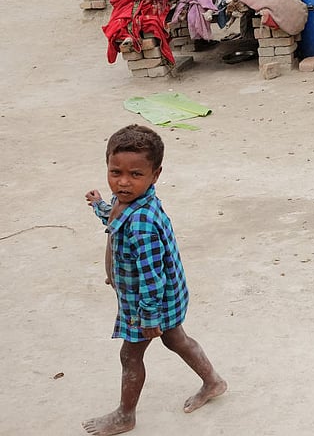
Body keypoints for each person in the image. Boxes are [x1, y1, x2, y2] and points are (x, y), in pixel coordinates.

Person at [83, 124, 226, 435]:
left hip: (150, 303)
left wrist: (149, 317)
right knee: (177, 340)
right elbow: (114, 217)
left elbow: (152, 277)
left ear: (155, 174)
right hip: (162, 297)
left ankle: (125, 415)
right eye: (115, 171)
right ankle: (213, 382)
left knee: (129, 354)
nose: (123, 182)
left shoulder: (143, 224)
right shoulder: (129, 200)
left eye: (135, 175)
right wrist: (98, 206)